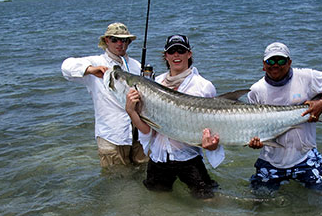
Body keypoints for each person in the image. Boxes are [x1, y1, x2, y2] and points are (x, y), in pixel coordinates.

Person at [125, 35, 225, 199]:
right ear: (166, 56)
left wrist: (212, 144)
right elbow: (148, 129)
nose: (176, 55)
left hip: (189, 157)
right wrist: (132, 112)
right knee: (157, 203)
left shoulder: (203, 86)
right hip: (159, 159)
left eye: (181, 50)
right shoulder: (154, 83)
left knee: (207, 200)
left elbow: (214, 125)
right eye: (171, 51)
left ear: (189, 54)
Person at [248, 42, 322, 191]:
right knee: (259, 202)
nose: (275, 65)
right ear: (263, 65)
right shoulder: (256, 91)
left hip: (304, 156)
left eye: (281, 60)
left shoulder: (305, 77)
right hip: (271, 159)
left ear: (289, 62)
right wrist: (253, 141)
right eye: (271, 61)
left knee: (321, 199)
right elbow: (253, 128)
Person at [61, 22, 148, 168]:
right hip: (111, 135)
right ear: (106, 40)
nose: (120, 43)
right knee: (116, 181)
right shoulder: (96, 62)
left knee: (143, 174)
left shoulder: (136, 66)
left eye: (124, 40)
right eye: (115, 39)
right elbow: (66, 67)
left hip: (139, 134)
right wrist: (90, 70)